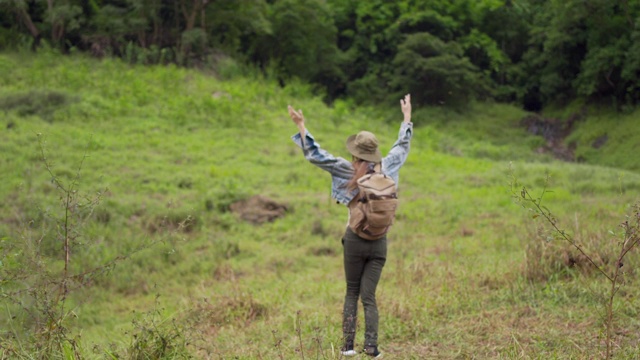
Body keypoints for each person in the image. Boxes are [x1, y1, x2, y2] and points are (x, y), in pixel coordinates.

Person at [288, 94, 413, 358]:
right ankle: (372, 347)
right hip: (380, 242)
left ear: (354, 153)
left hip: (355, 239)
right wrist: (406, 117)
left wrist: (301, 125)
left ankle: (347, 347)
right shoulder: (388, 167)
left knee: (351, 292)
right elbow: (402, 147)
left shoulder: (345, 169)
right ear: (375, 152)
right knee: (369, 297)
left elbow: (315, 155)